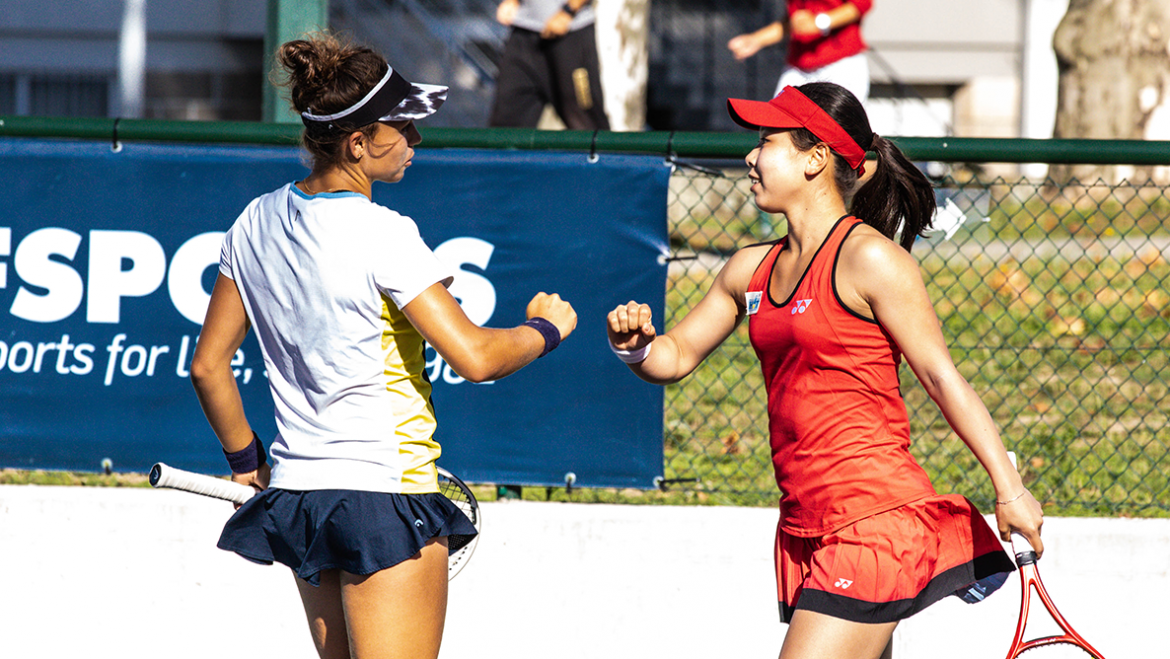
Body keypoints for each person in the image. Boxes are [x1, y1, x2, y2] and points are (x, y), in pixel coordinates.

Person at [605, 82, 1043, 659]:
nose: (750, 158)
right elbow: (676, 355)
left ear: (816, 158)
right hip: (805, 525)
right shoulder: (747, 268)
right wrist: (635, 347)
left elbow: (941, 378)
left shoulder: (873, 260)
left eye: (767, 142)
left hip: (873, 522)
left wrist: (1009, 490)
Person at [189, 33, 577, 659]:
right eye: (404, 127)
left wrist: (244, 462)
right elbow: (475, 358)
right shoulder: (385, 232)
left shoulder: (252, 220)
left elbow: (209, 369)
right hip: (384, 495)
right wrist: (546, 329)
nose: (416, 141)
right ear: (358, 143)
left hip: (299, 498)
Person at [490, 0, 610, 130]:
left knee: (585, 122)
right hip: (523, 31)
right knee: (505, 123)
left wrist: (568, 11)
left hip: (570, 33)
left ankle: (607, 151)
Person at [728, 1, 873, 104]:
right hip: (800, 65)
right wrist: (756, 39)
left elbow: (861, 4)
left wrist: (820, 22)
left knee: (840, 131)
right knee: (778, 122)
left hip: (840, 62)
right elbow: (795, 22)